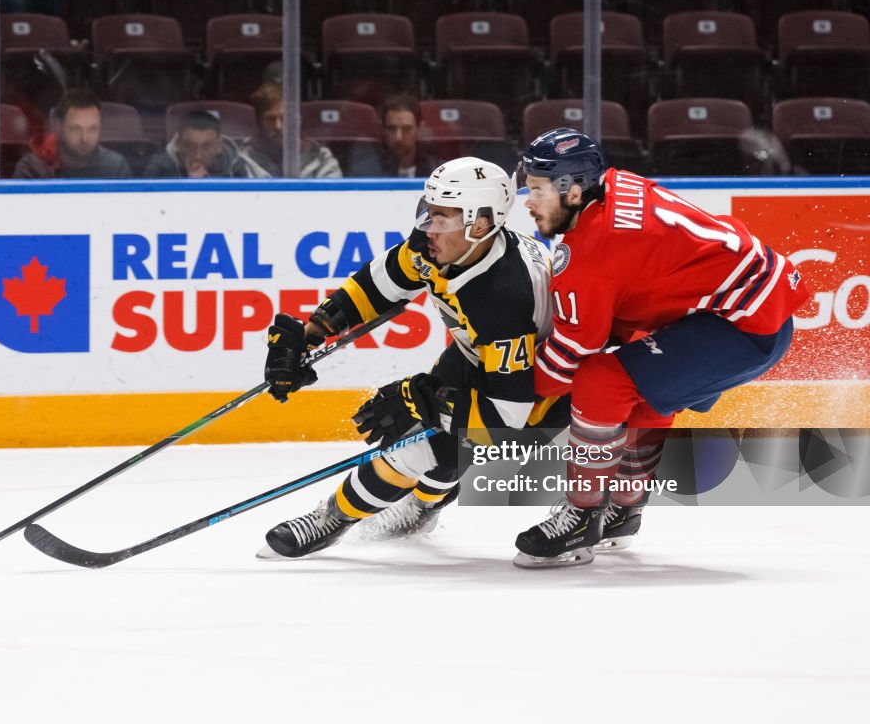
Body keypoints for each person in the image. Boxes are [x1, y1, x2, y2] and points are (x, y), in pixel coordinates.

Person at [513, 128, 810, 568]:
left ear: (573, 191)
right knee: (643, 386)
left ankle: (581, 514)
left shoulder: (591, 254)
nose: (528, 202)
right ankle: (623, 510)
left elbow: (572, 356)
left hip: (741, 329)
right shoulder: (612, 183)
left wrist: (508, 388)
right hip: (752, 314)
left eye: (536, 190)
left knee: (602, 381)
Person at [256, 157, 568, 559]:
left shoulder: (506, 297)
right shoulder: (441, 246)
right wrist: (311, 334)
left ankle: (334, 517)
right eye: (429, 212)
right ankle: (423, 508)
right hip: (478, 358)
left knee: (418, 447)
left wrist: (423, 404)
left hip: (543, 395)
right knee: (439, 442)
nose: (427, 229)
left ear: (481, 224)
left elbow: (505, 417)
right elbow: (378, 285)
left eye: (443, 218)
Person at [14, 89, 132, 179]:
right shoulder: (32, 167)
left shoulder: (115, 167)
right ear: (58, 127)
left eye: (92, 129)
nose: (84, 138)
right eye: (76, 129)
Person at [238, 83, 342, 178]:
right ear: (259, 122)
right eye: (270, 119)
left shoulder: (320, 158)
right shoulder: (243, 159)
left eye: (285, 118)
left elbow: (334, 195)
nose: (278, 126)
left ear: (298, 120)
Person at [352, 95, 440, 178]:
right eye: (391, 129)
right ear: (382, 130)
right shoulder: (364, 173)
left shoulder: (439, 172)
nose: (398, 137)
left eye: (406, 129)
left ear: (419, 129)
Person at [144, 110, 249, 178]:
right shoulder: (160, 169)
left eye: (207, 146)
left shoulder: (235, 166)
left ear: (219, 146)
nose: (198, 155)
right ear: (178, 144)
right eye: (189, 146)